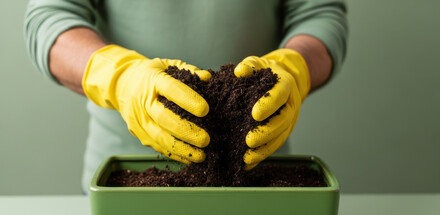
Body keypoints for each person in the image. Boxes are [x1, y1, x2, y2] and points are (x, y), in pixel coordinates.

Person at [24, 0, 347, 192]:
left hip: (257, 168)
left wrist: (294, 68)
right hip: (129, 178)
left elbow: (318, 14)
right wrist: (120, 77)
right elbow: (49, 18)